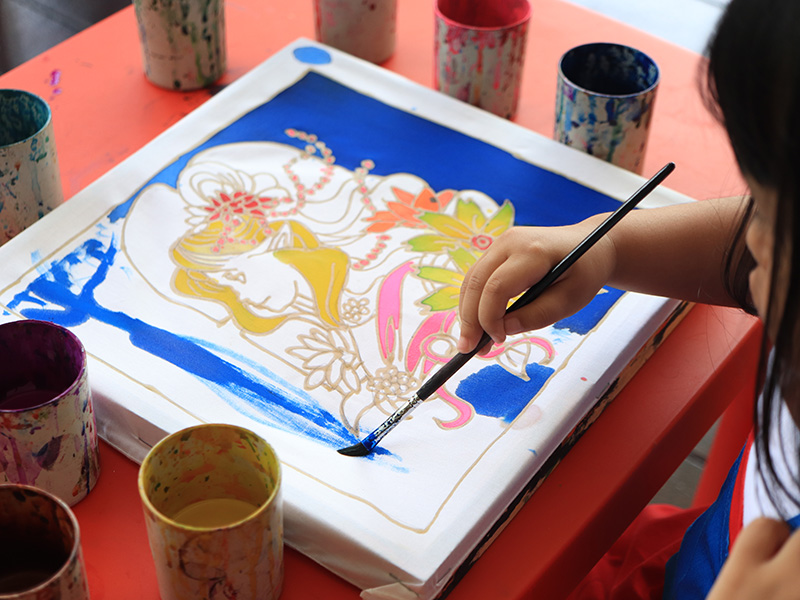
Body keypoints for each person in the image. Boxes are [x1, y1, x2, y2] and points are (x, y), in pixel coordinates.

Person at [456, 0, 800, 597]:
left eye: (773, 222)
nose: (755, 241)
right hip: (679, 556)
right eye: (762, 204)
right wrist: (607, 247)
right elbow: (739, 249)